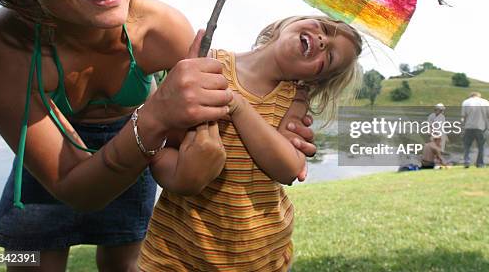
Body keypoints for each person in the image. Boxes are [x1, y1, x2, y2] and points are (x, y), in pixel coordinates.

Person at [0, 0, 315, 270]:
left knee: (124, 264)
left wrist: (281, 118)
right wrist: (154, 116)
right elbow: (76, 188)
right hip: (51, 161)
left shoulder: (162, 30)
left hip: (140, 149)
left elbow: (219, 109)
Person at [138, 16, 363, 271]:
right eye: (323, 29)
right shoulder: (207, 65)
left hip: (257, 252)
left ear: (313, 80)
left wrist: (238, 106)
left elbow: (289, 169)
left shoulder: (294, 100)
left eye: (330, 56)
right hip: (177, 249)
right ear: (282, 25)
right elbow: (163, 147)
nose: (323, 40)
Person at [461, 91, 489, 168]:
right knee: (481, 146)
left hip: (469, 127)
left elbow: (464, 117)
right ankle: (480, 163)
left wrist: (463, 126)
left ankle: (466, 162)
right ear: (479, 96)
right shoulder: (485, 102)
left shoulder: (466, 102)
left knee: (467, 145)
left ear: (471, 96)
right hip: (481, 127)